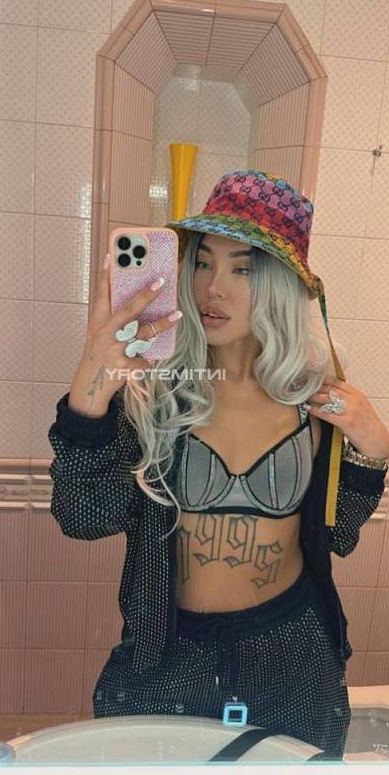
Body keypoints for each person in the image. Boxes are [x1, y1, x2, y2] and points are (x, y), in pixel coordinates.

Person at [48, 170, 389, 760]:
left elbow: (338, 534)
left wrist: (374, 451)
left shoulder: (313, 401)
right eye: (202, 262)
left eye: (243, 269)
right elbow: (83, 517)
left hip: (292, 658)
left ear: (281, 284)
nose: (212, 288)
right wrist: (91, 385)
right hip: (168, 657)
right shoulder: (154, 396)